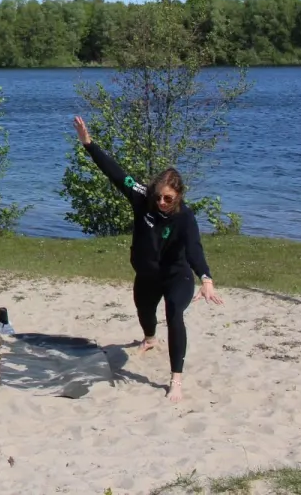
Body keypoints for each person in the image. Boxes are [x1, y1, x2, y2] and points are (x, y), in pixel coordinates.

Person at [72, 116, 223, 403]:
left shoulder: (185, 218)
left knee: (174, 314)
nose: (161, 202)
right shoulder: (142, 197)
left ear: (178, 196)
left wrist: (205, 277)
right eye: (158, 197)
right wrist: (88, 144)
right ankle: (150, 339)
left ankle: (175, 379)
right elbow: (116, 173)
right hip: (147, 275)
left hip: (176, 276)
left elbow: (194, 249)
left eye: (167, 198)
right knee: (144, 312)